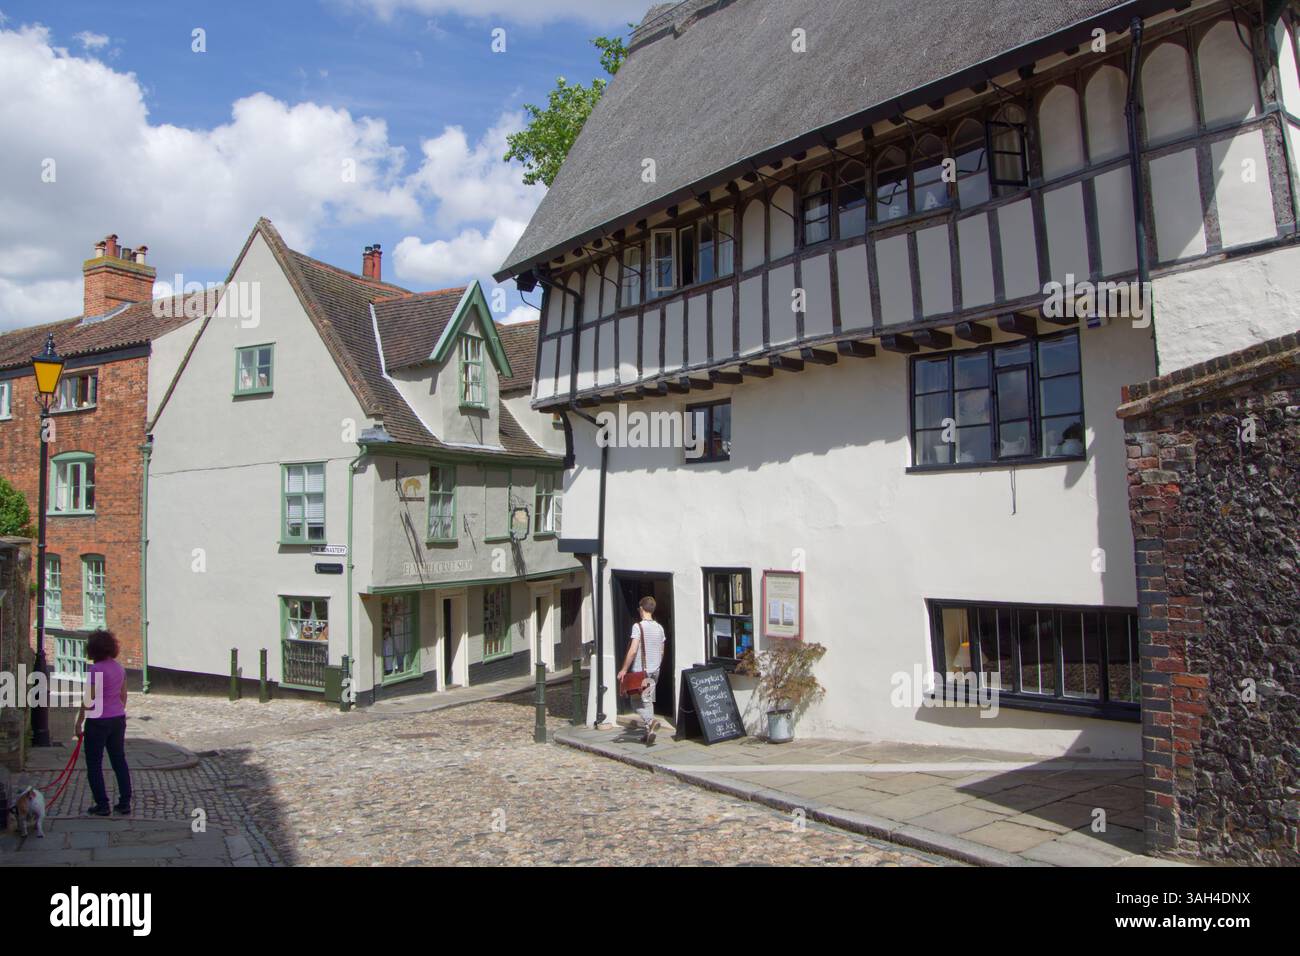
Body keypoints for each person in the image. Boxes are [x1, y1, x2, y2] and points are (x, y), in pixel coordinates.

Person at [73, 629, 132, 816]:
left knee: (94, 763)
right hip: (117, 719)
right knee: (119, 761)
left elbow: (89, 699)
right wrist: (118, 710)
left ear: (93, 649)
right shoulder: (119, 668)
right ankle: (124, 802)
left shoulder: (95, 670)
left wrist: (79, 721)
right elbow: (124, 695)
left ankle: (102, 804)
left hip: (98, 721)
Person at [617, 596, 666, 746]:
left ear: (642, 609)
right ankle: (649, 732)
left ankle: (651, 721)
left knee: (635, 702)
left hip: (641, 673)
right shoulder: (659, 628)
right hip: (654, 671)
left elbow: (632, 651)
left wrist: (624, 670)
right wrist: (655, 665)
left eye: (639, 609)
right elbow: (662, 651)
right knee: (647, 700)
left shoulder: (638, 627)